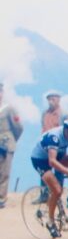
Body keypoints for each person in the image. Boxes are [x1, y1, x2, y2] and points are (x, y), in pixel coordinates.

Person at [0, 82, 24, 210]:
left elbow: (18, 127)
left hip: (6, 143)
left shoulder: (8, 109)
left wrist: (12, 140)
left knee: (4, 171)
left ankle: (1, 198)